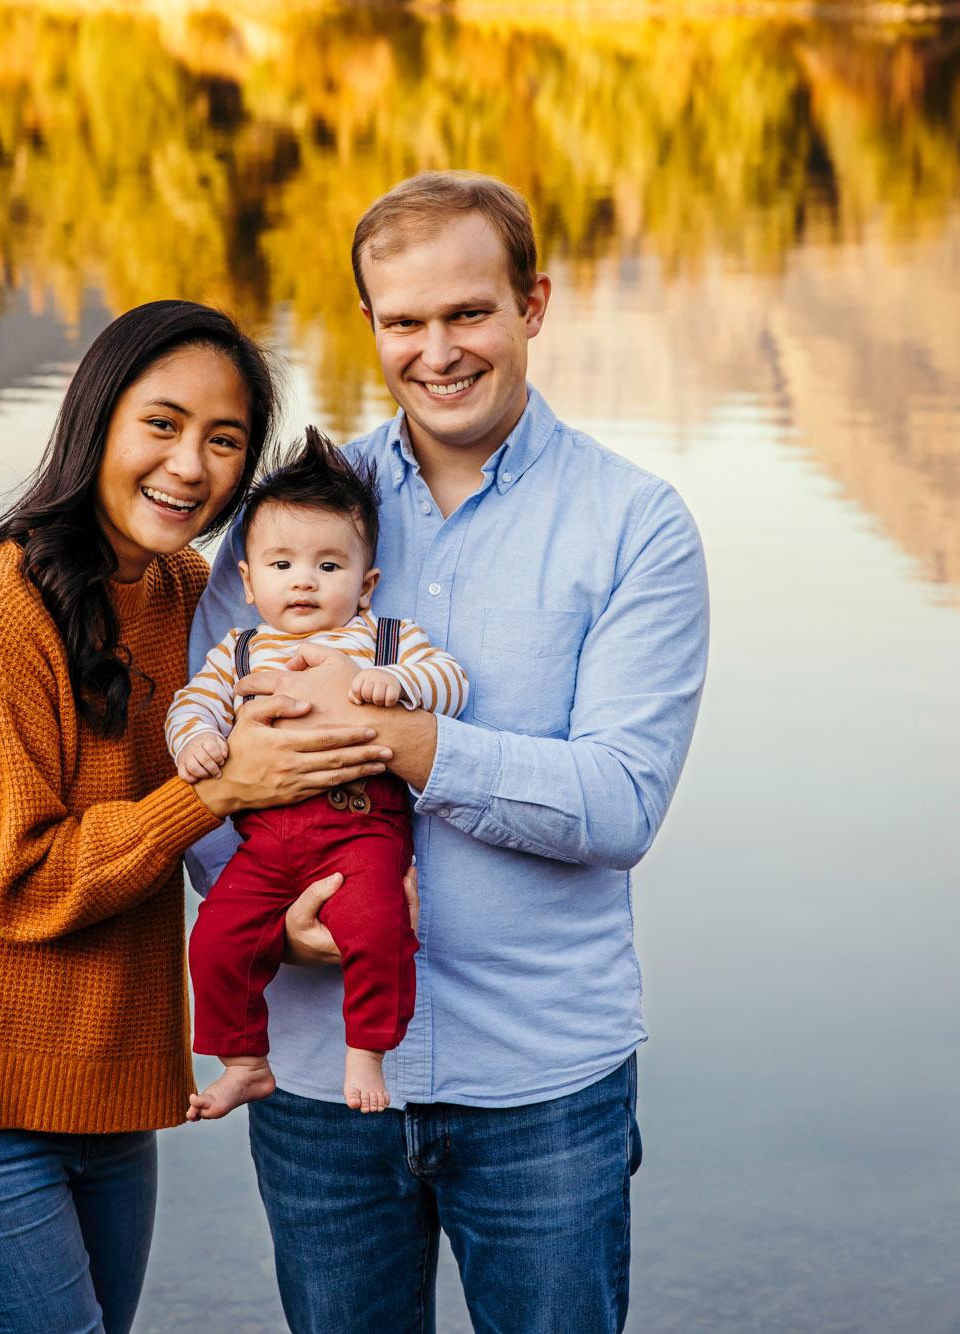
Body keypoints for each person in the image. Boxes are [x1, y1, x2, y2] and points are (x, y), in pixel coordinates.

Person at [185, 172, 710, 1332]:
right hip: (323, 1088)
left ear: (532, 303)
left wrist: (404, 737)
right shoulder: (289, 524)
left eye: (467, 312)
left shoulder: (634, 525)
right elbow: (213, 781)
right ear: (368, 325)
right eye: (403, 321)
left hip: (540, 1089)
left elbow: (618, 803)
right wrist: (272, 921)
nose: (437, 350)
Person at [0, 300, 395, 1334]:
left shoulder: (189, 591)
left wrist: (309, 899)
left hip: (104, 1092)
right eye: (162, 422)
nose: (189, 465)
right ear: (96, 418)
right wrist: (217, 789)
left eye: (223, 439)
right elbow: (28, 883)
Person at [168, 427, 469, 1119]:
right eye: (281, 565)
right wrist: (194, 746)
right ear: (247, 580)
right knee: (215, 936)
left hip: (361, 829)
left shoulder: (385, 638)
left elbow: (451, 681)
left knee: (378, 919)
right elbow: (193, 706)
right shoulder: (238, 652)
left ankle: (367, 1048)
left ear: (365, 584)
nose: (304, 579)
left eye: (329, 566)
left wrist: (396, 682)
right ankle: (243, 1060)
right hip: (267, 841)